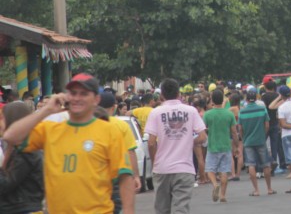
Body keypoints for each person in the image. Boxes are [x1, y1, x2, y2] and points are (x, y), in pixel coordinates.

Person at [2, 73, 135, 214]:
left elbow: (125, 176)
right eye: (73, 93)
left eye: (84, 94)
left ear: (96, 99)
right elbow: (11, 136)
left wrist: (128, 210)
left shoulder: (110, 132)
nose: (77, 98)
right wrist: (45, 111)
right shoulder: (50, 130)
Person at [146, 78, 206, 214]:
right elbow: (202, 136)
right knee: (181, 208)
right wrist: (189, 141)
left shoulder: (155, 113)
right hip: (184, 168)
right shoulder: (191, 111)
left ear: (161, 95)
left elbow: (151, 143)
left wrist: (155, 162)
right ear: (179, 93)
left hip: (162, 168)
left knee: (161, 209)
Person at [0, 101, 45, 214]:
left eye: (2, 118)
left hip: (22, 209)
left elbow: (6, 184)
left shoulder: (25, 151)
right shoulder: (17, 148)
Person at [238, 88, 276, 197]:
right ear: (256, 98)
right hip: (260, 140)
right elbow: (267, 125)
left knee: (251, 164)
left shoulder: (242, 111)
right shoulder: (262, 109)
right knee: (266, 164)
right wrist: (263, 135)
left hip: (248, 141)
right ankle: (269, 188)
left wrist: (243, 138)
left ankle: (256, 190)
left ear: (246, 99)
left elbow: (240, 128)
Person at [203, 89, 239, 203]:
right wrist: (236, 146)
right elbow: (234, 132)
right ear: (223, 99)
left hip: (212, 146)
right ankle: (223, 195)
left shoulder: (207, 114)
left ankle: (215, 184)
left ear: (212, 100)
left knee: (210, 169)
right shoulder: (229, 114)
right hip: (225, 146)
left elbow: (203, 130)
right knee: (224, 171)